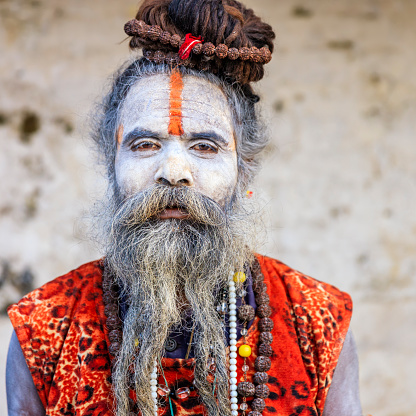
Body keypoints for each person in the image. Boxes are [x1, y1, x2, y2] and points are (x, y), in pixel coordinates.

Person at [6, 1, 362, 415]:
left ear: (243, 170)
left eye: (205, 147)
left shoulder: (318, 323)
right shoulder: (44, 327)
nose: (174, 171)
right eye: (145, 145)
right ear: (111, 165)